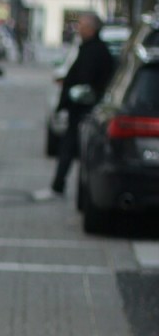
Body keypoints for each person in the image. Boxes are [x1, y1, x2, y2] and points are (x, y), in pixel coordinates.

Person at [33, 11, 115, 200]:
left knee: (72, 149)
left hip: (83, 110)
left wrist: (71, 95)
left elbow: (86, 80)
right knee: (70, 149)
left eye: (82, 25)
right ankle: (60, 186)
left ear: (92, 29)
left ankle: (60, 186)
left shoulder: (94, 51)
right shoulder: (89, 48)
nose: (78, 29)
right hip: (80, 109)